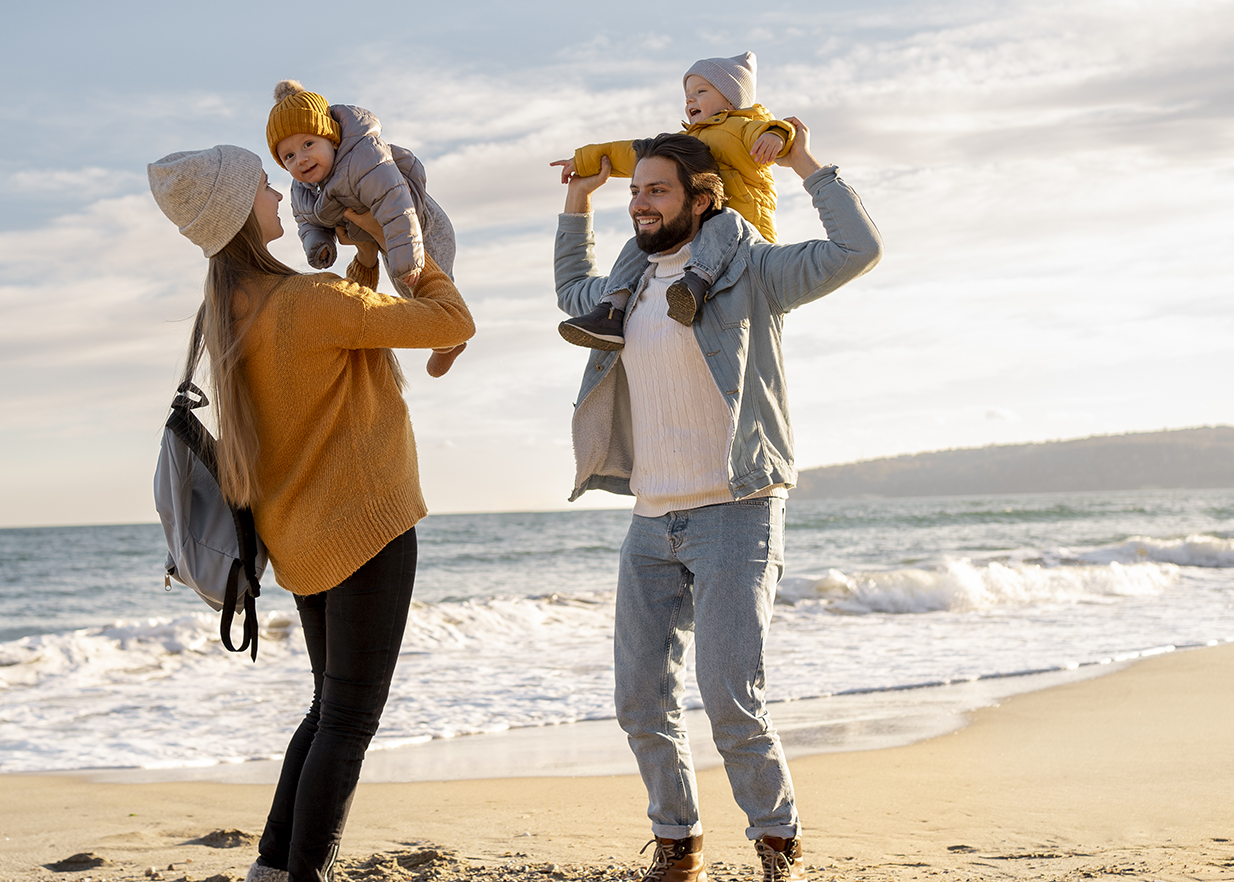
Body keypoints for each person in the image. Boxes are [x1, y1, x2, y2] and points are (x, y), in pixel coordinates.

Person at [551, 119, 880, 882]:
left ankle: (776, 844)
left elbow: (855, 251)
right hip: (649, 518)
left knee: (729, 697)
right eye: (634, 191)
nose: (639, 203)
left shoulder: (752, 272)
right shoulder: (627, 286)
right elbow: (572, 289)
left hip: (737, 507)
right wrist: (576, 202)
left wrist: (803, 162)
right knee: (638, 700)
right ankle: (677, 844)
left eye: (655, 190)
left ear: (701, 199)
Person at [147, 144, 474, 882]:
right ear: (237, 213)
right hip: (364, 526)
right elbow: (450, 320)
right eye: (263, 186)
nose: (277, 193)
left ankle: (272, 866)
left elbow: (334, 343)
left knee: (326, 711)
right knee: (348, 721)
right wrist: (410, 251)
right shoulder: (307, 303)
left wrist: (359, 259)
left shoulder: (227, 313)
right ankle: (303, 875)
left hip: (296, 538)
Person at [550, 52, 797, 347]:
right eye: (687, 94)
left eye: (701, 91)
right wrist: (584, 162)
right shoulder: (689, 144)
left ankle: (694, 286)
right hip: (700, 239)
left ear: (731, 101)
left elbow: (774, 129)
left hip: (745, 241)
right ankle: (612, 308)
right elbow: (631, 153)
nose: (690, 100)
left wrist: (777, 136)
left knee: (725, 221)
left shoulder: (742, 128)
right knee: (639, 243)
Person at [267, 80, 468, 377]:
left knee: (417, 285)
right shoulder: (303, 188)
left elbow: (395, 203)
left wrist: (401, 254)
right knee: (407, 287)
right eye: (289, 156)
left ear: (332, 139)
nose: (302, 159)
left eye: (308, 144)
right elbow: (307, 220)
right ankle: (447, 339)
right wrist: (319, 246)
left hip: (419, 226)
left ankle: (450, 342)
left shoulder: (364, 157)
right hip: (380, 237)